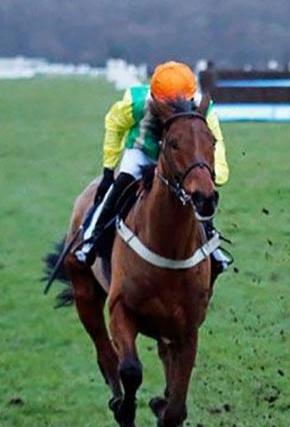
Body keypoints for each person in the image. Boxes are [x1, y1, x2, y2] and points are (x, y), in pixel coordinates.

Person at [74, 61, 231, 274]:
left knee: (202, 190)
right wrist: (108, 172)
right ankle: (92, 238)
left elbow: (215, 141)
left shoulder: (203, 109)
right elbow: (114, 124)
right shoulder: (137, 102)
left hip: (181, 159)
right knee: (121, 184)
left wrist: (216, 175)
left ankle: (211, 245)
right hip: (142, 152)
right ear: (155, 98)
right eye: (167, 105)